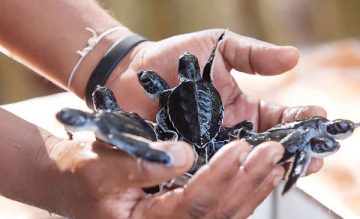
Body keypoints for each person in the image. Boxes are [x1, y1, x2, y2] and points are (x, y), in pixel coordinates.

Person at [0, 0, 326, 218]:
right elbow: (163, 109)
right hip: (183, 128)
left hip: (166, 128)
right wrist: (51, 168)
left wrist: (115, 58)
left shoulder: (166, 96)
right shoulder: (179, 92)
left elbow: (159, 103)